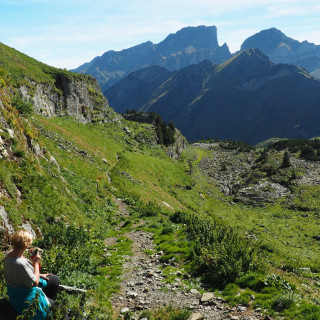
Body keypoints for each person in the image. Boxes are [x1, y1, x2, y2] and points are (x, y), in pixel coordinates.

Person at [4, 229, 60, 320]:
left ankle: (48, 299)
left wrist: (40, 274)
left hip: (17, 286)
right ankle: (47, 305)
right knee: (55, 307)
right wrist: (36, 263)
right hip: (23, 295)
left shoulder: (9, 255)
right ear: (27, 244)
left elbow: (24, 272)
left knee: (54, 279)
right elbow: (35, 282)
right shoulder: (20, 263)